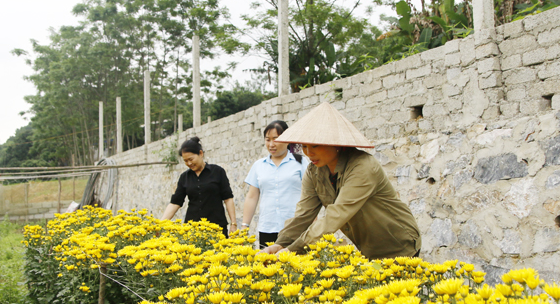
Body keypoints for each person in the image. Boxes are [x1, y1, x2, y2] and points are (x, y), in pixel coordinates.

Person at [261, 102, 421, 260]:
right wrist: (280, 245)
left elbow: (335, 215)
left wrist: (292, 250)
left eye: (315, 145)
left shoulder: (363, 167)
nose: (308, 153)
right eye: (303, 146)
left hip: (399, 244)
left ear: (336, 144)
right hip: (368, 249)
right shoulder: (314, 171)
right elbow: (303, 215)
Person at [242, 121, 308, 248]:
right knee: (268, 265)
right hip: (268, 227)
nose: (271, 144)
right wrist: (245, 225)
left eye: (276, 139)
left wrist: (312, 220)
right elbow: (252, 197)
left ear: (287, 139)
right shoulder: (259, 166)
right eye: (268, 140)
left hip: (295, 227)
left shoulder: (300, 163)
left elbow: (309, 193)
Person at [162, 137, 237, 237]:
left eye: (191, 159)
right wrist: (161, 224)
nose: (189, 163)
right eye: (185, 161)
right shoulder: (185, 177)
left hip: (216, 227)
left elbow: (228, 198)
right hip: (192, 228)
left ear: (201, 153)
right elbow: (175, 202)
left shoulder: (217, 172)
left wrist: (233, 223)